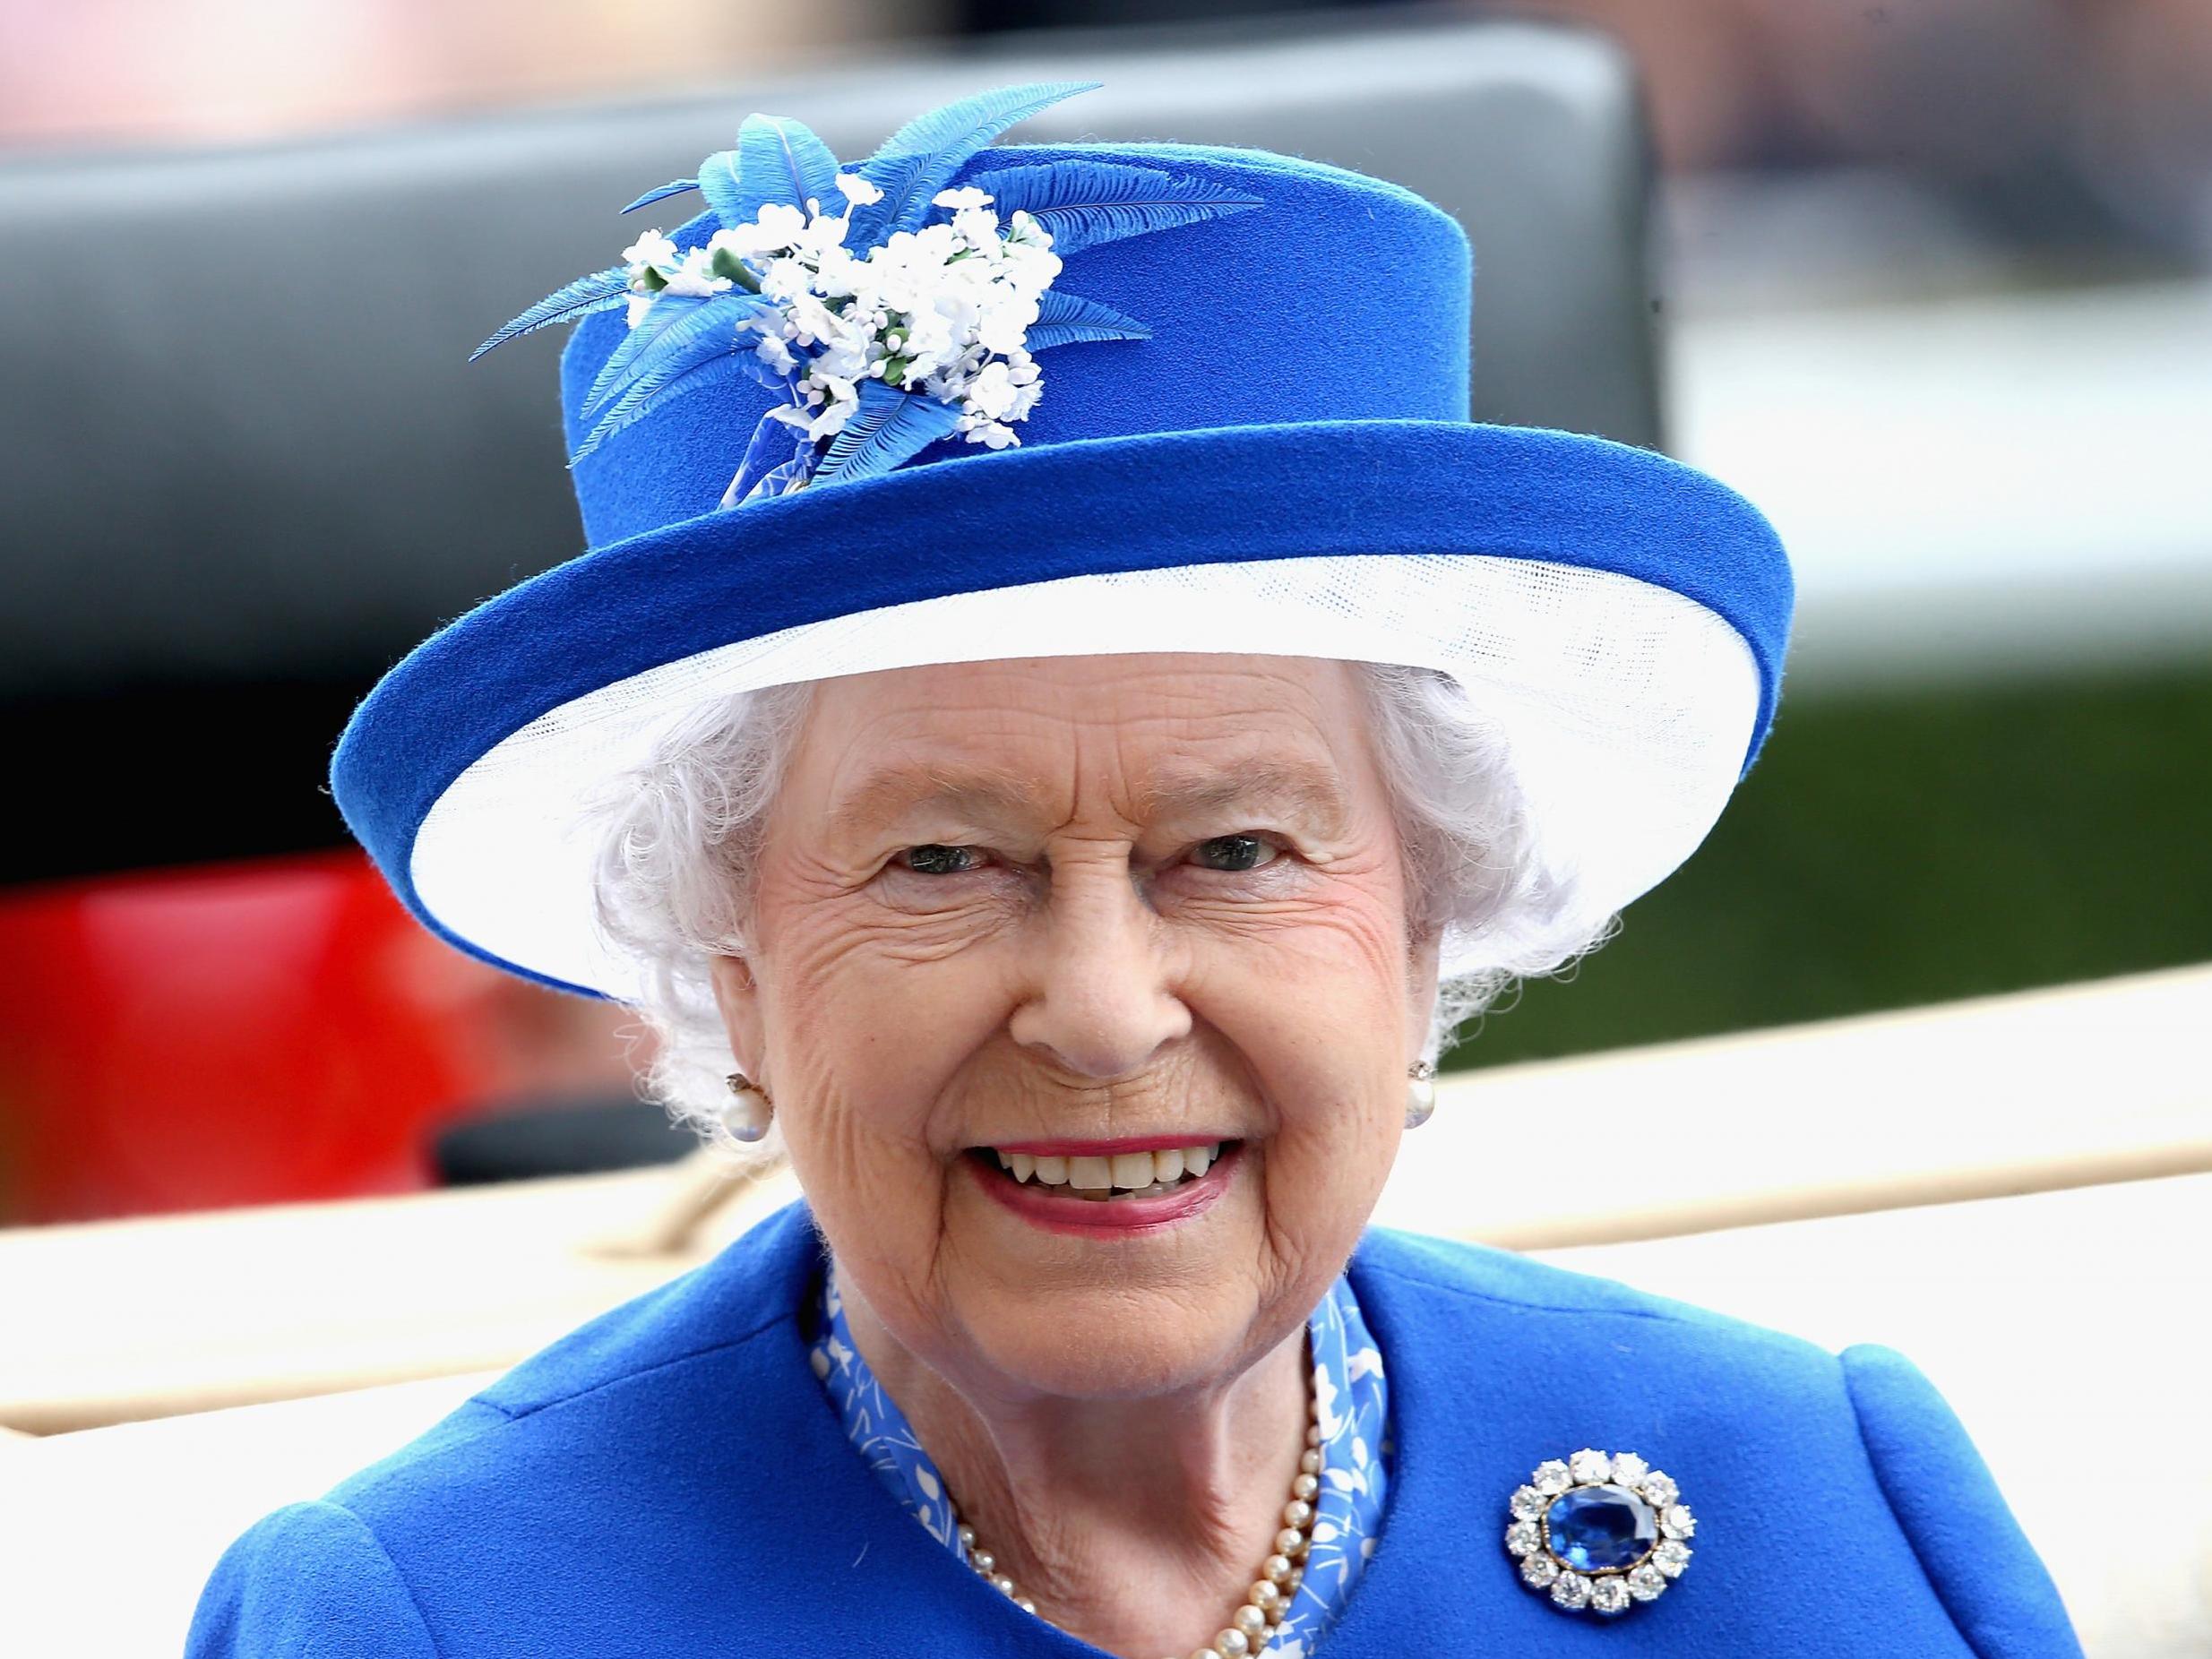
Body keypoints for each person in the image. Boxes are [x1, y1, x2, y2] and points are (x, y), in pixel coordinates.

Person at [186, 83, 2081, 1658]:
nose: (1100, 1012)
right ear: (729, 960)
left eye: (1233, 850)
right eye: (941, 859)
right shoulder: (426, 1617)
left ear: (1420, 929)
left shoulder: (1812, 1498)